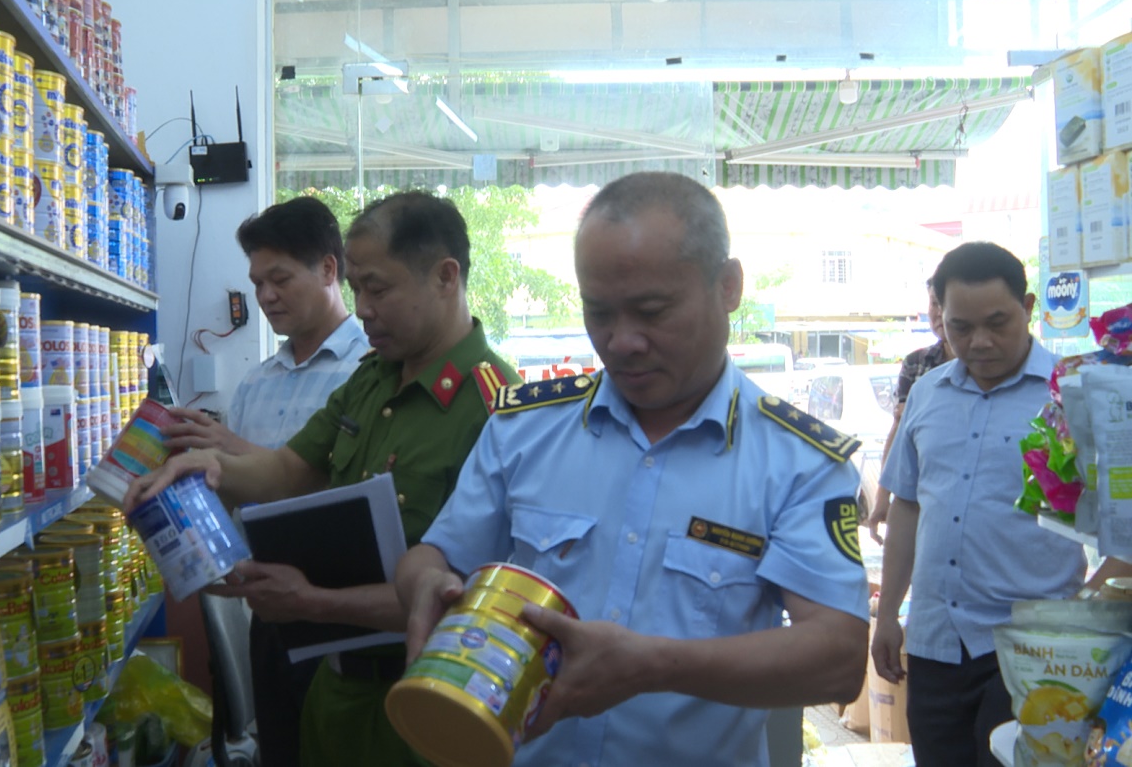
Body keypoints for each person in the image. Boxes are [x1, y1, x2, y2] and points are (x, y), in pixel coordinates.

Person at [396, 172, 870, 767]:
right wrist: (423, 584)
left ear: (728, 286)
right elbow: (436, 556)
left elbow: (838, 658)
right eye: (598, 313)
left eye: (651, 311)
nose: (621, 342)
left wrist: (654, 664)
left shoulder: (798, 461)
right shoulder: (524, 430)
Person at [124, 190, 518, 767]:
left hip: (423, 698)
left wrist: (314, 603)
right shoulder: (371, 380)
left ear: (445, 277)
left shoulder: (499, 410)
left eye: (377, 289)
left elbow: (469, 595)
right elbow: (287, 470)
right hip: (332, 691)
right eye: (357, 289)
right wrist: (209, 466)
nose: (363, 309)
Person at [871, 241, 1132, 767]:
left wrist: (1081, 620)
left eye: (997, 323)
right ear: (940, 317)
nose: (980, 342)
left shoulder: (1077, 393)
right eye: (960, 327)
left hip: (1036, 650)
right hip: (935, 643)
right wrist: (889, 616)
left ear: (1028, 308)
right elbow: (908, 506)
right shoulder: (927, 394)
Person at [159, 196, 369, 767]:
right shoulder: (257, 383)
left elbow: (335, 491)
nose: (266, 296)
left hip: (343, 615)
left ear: (328, 269)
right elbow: (239, 494)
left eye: (280, 279)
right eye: (257, 283)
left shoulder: (366, 373)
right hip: (267, 612)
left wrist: (229, 450)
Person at [868, 278, 952, 544]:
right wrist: (883, 497)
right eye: (934, 303)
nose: (939, 312)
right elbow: (899, 430)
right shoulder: (917, 363)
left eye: (946, 303)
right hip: (921, 500)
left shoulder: (985, 366)